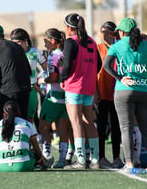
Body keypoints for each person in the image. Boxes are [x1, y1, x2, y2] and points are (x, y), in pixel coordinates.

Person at [103, 18, 147, 172]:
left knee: (126, 128)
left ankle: (129, 163)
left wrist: (120, 77)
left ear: (121, 32)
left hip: (124, 90)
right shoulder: (145, 44)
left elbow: (106, 65)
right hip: (144, 90)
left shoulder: (117, 45)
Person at [60, 13, 101, 170]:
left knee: (76, 123)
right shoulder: (91, 41)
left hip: (74, 87)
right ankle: (95, 160)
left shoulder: (71, 41)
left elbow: (67, 64)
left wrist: (63, 79)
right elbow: (98, 65)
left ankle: (82, 161)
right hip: (88, 88)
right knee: (89, 123)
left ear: (70, 27)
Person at [37, 28, 70, 168]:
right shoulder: (65, 53)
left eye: (45, 41)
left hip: (54, 97)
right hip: (67, 96)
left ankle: (47, 156)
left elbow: (54, 77)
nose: (45, 45)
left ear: (52, 41)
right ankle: (62, 160)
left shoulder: (53, 56)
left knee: (43, 127)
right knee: (63, 129)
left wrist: (41, 81)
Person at [0, 24, 31, 122]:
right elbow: (29, 70)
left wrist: (0, 93)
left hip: (8, 92)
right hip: (25, 89)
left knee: (2, 122)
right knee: (22, 122)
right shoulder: (17, 46)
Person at [94, 21, 124, 169]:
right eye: (101, 31)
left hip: (117, 92)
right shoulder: (97, 48)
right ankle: (100, 157)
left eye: (106, 31)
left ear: (114, 33)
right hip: (101, 92)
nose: (102, 34)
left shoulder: (119, 48)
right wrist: (95, 91)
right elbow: (92, 72)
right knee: (101, 127)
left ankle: (117, 157)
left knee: (116, 126)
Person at [0, 100, 47, 172]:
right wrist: (42, 160)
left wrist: (1, 157)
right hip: (22, 165)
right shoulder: (27, 124)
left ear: (4, 114)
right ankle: (42, 163)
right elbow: (37, 151)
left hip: (2, 166)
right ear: (19, 112)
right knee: (32, 152)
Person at [10, 28, 47, 124]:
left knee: (29, 120)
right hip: (16, 90)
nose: (15, 45)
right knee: (16, 118)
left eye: (18, 42)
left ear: (25, 41)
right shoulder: (11, 53)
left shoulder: (35, 52)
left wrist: (41, 81)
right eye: (13, 43)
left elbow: (47, 69)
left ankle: (30, 138)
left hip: (31, 90)